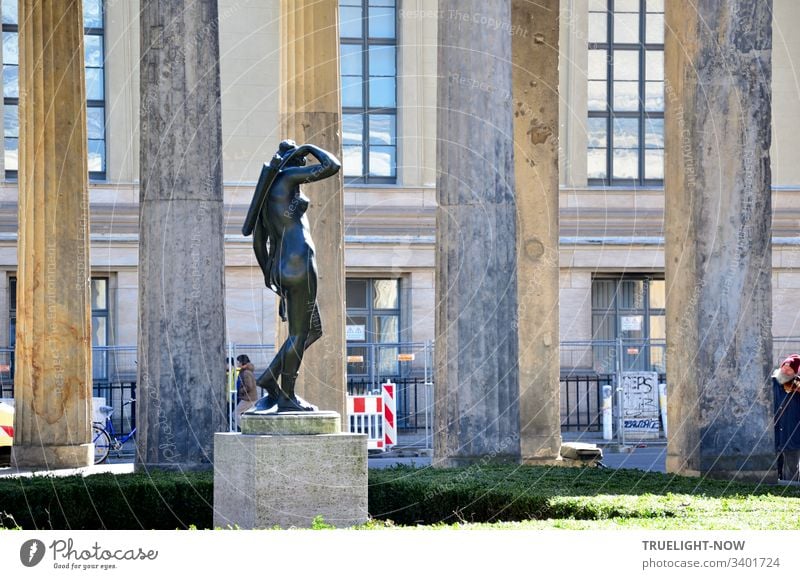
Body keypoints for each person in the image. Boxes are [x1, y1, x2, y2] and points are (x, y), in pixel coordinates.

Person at [248, 140, 341, 412]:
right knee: (300, 333)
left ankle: (269, 377)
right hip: (300, 263)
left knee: (313, 330)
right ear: (295, 162)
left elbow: (258, 242)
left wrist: (271, 275)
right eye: (301, 163)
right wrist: (309, 147)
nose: (304, 169)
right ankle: (287, 396)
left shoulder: (268, 197)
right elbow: (331, 166)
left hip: (285, 267)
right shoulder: (287, 177)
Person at [773, 354, 800, 481]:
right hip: (775, 432)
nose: (785, 371)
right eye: (784, 367)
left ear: (795, 372)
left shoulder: (798, 386)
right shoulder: (773, 383)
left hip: (792, 434)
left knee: (791, 468)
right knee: (773, 466)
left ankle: (791, 490)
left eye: (789, 370)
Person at [235, 355, 258, 429]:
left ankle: (246, 428)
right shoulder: (247, 371)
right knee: (245, 416)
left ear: (242, 363)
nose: (237, 364)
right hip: (250, 398)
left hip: (248, 399)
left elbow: (249, 386)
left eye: (238, 362)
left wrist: (240, 391)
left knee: (235, 414)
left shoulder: (246, 373)